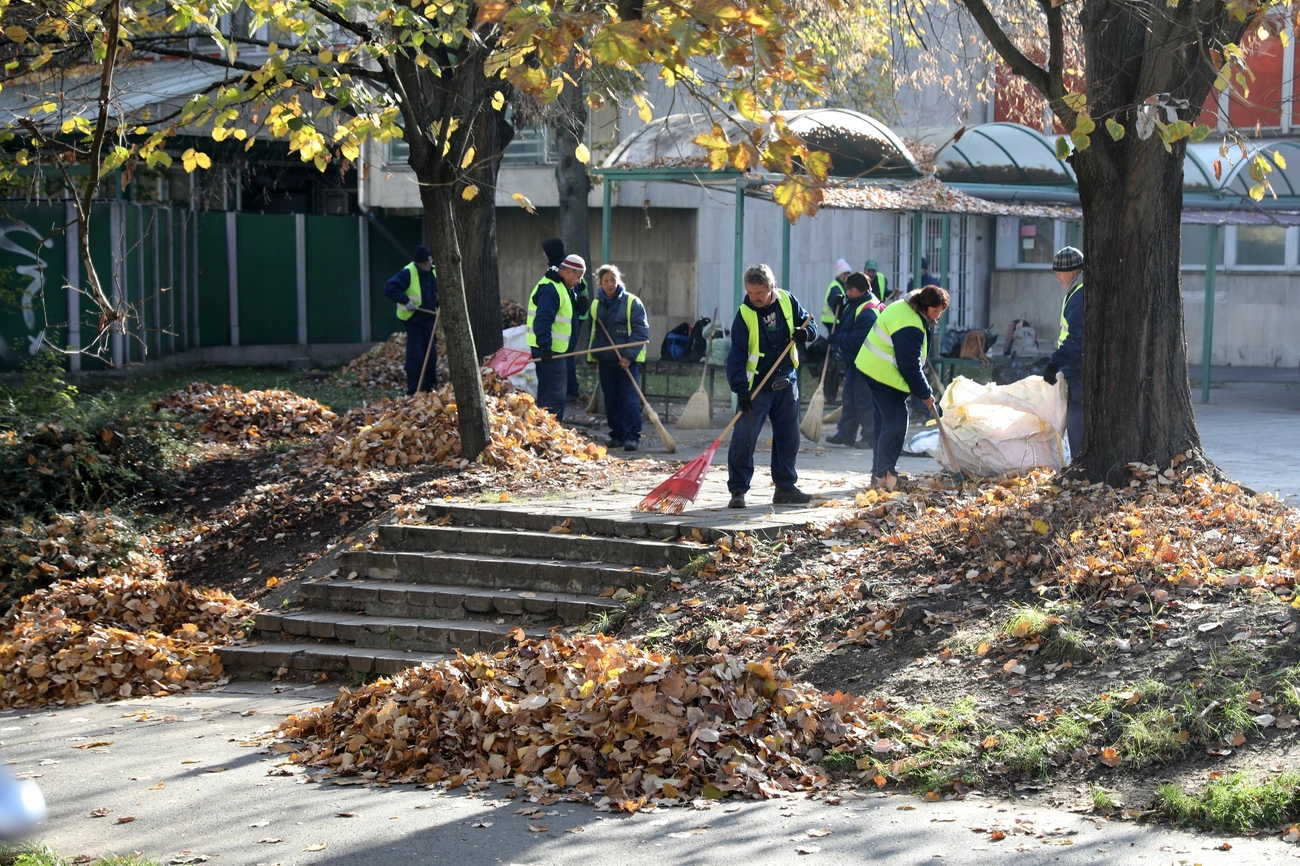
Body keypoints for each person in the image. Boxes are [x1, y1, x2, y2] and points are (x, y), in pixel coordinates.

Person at [725, 263, 818, 509]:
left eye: (759, 293)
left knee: (788, 438)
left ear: (771, 287)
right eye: (750, 293)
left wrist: (805, 334)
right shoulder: (744, 314)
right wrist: (740, 389)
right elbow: (736, 356)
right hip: (756, 387)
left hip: (787, 382)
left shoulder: (788, 300)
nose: (754, 298)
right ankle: (737, 491)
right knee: (744, 438)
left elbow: (811, 323)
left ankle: (785, 488)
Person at [856, 285, 950, 490]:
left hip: (872, 368)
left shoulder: (906, 307)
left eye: (940, 313)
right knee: (896, 424)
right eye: (935, 312)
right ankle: (884, 476)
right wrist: (925, 394)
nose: (937, 317)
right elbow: (909, 365)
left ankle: (880, 474)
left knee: (884, 423)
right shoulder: (911, 325)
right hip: (883, 375)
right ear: (925, 306)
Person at [587, 264, 650, 452]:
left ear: (618, 280)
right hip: (606, 360)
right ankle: (617, 435)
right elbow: (593, 334)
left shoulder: (632, 303)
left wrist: (628, 357)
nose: (610, 284)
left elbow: (640, 332)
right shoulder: (596, 305)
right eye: (606, 281)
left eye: (613, 280)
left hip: (626, 362)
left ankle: (632, 437)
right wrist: (592, 357)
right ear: (600, 283)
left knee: (629, 398)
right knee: (611, 399)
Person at [826, 272, 884, 447]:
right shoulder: (857, 303)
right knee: (849, 398)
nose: (847, 293)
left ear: (862, 290)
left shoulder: (868, 313)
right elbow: (849, 317)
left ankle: (870, 437)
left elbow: (858, 341)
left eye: (850, 290)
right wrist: (839, 305)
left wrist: (837, 338)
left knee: (864, 401)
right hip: (856, 363)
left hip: (868, 362)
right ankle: (845, 434)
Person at [528, 251, 588, 421]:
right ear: (568, 272)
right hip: (550, 351)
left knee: (554, 395)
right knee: (552, 397)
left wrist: (578, 309)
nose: (578, 282)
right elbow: (543, 320)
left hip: (556, 350)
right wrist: (546, 346)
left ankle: (550, 433)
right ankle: (549, 435)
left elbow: (562, 317)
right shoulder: (550, 289)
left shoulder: (561, 286)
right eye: (578, 277)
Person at [382, 243, 439, 395]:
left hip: (429, 320)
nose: (428, 265)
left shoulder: (434, 272)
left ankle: (430, 387)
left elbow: (438, 293)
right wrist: (406, 301)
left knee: (431, 355)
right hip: (413, 319)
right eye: (425, 263)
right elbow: (389, 287)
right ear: (418, 263)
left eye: (429, 261)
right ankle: (414, 389)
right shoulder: (408, 273)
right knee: (416, 356)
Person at [1044, 245, 1084, 457]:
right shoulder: (1078, 291)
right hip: (1076, 364)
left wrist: (1055, 362)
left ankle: (1078, 459)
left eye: (1059, 273)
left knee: (1076, 412)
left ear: (1070, 271)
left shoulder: (1078, 295)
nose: (1058, 279)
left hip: (1077, 366)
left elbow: (1077, 337)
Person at [541, 238, 591, 404]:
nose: (543, 255)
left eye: (545, 251)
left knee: (566, 356)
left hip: (568, 321)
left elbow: (574, 288)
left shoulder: (563, 269)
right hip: (571, 318)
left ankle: (571, 389)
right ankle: (571, 389)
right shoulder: (562, 268)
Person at [821, 258, 852, 336]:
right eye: (844, 273)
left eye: (848, 273)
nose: (847, 275)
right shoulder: (835, 288)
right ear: (839, 274)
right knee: (836, 343)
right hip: (832, 320)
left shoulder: (843, 285)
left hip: (835, 320)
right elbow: (835, 307)